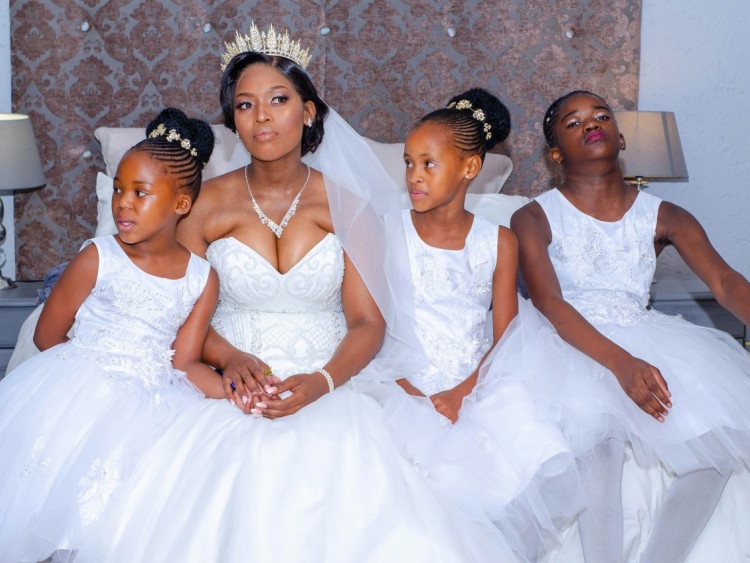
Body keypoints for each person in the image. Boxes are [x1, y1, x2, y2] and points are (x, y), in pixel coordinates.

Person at [73, 22, 520, 563]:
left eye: (278, 100)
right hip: (231, 387)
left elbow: (368, 322)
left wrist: (323, 381)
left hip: (328, 384)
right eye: (244, 105)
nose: (261, 116)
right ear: (233, 120)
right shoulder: (202, 205)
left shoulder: (348, 205)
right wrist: (230, 358)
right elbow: (177, 306)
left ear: (308, 111)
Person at [0, 108, 220, 563]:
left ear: (181, 204)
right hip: (82, 383)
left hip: (156, 397)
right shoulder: (97, 256)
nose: (123, 203)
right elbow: (48, 335)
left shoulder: (202, 278)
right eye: (119, 189)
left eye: (140, 193)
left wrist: (234, 391)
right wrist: (90, 383)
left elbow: (184, 363)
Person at [509, 90, 750, 563]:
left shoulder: (665, 215)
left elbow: (723, 278)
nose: (591, 123)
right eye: (572, 123)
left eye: (601, 115)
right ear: (555, 154)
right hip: (569, 343)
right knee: (597, 440)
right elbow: (549, 302)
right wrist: (621, 363)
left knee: (716, 447)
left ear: (621, 134)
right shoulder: (532, 216)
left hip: (643, 331)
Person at [358, 87, 583, 561]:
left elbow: (507, 336)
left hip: (477, 381)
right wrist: (406, 389)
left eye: (428, 164)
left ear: (469, 169)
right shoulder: (384, 230)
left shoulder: (499, 241)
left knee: (505, 456)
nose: (414, 177)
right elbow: (368, 322)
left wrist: (465, 393)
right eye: (408, 163)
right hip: (396, 379)